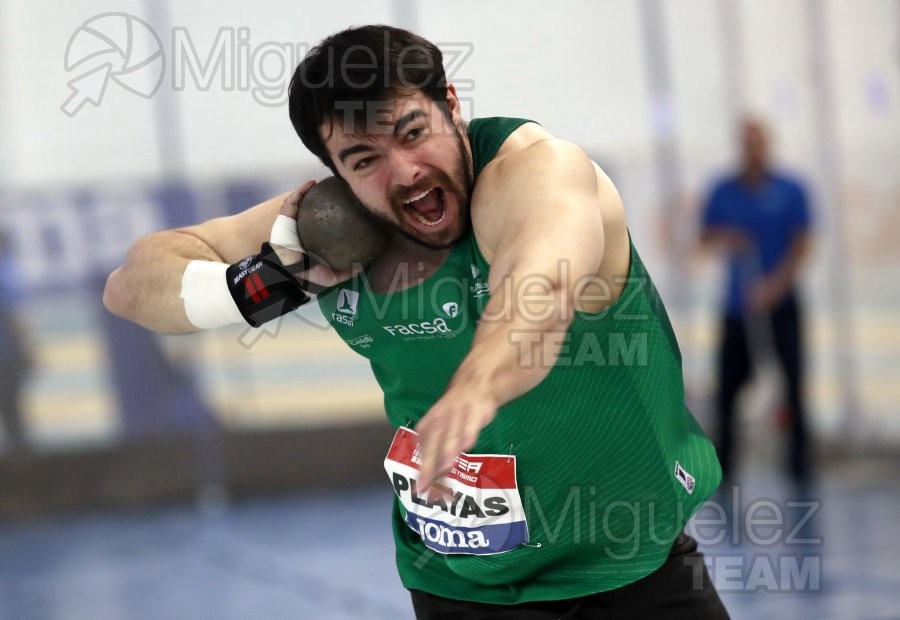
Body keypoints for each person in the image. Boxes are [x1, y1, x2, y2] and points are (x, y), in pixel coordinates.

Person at [105, 25, 728, 618]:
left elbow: (541, 286)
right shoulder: (331, 225)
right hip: (462, 584)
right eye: (362, 159)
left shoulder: (536, 172)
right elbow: (130, 287)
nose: (403, 173)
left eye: (412, 132)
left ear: (451, 105)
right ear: (335, 171)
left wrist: (478, 386)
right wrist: (270, 281)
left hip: (632, 562)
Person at [701, 117, 814, 484]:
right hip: (738, 307)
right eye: (746, 142)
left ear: (768, 144)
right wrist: (727, 237)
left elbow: (802, 244)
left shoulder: (790, 190)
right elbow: (705, 238)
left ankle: (799, 467)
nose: (752, 149)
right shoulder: (722, 191)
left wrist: (774, 288)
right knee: (728, 389)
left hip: (780, 306)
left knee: (793, 384)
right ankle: (724, 468)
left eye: (758, 141)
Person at [0, 228, 33, 453]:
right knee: (12, 410)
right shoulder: (6, 270)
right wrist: (27, 347)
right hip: (7, 353)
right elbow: (15, 314)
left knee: (10, 408)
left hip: (7, 352)